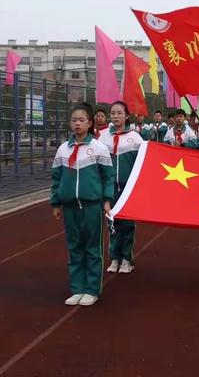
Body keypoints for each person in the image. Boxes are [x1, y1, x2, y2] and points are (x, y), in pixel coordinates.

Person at [50, 102, 114, 307]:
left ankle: (92, 289)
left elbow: (108, 177)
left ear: (90, 123)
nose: (77, 124)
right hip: (69, 207)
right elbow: (56, 178)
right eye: (74, 120)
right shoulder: (62, 150)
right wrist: (55, 203)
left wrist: (107, 200)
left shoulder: (98, 148)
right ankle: (77, 288)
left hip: (92, 206)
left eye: (81, 120)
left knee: (92, 248)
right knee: (74, 247)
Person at [99, 101, 144, 274]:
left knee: (127, 224)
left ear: (126, 116)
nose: (116, 116)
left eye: (119, 113)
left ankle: (126, 259)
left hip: (127, 189)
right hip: (110, 189)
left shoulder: (135, 138)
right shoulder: (103, 137)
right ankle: (114, 258)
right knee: (112, 223)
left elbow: (144, 161)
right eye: (113, 113)